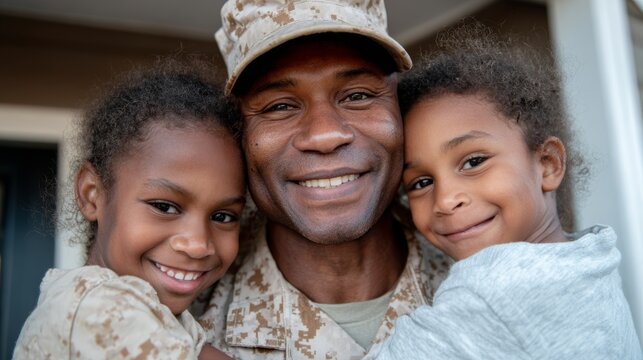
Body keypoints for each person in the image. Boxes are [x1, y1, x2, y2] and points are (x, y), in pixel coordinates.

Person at [196, 0, 451, 359]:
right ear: (238, 134)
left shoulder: (486, 265)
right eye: (279, 106)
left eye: (358, 95)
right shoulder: (176, 322)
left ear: (400, 107)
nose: (325, 135)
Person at [374, 31, 642, 359]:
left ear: (547, 164)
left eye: (473, 162)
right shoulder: (592, 257)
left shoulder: (495, 286)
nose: (445, 200)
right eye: (420, 183)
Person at [13, 60, 245, 360]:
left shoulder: (158, 315)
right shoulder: (95, 307)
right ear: (91, 194)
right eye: (164, 206)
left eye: (223, 216)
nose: (198, 244)